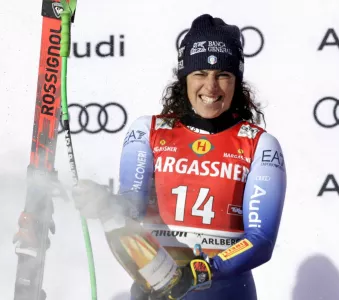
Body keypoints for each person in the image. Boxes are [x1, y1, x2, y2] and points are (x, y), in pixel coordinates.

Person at [73, 14, 287, 300]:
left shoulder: (260, 144)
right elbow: (130, 208)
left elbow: (260, 240)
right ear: (185, 76)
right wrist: (103, 201)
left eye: (223, 75)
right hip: (156, 289)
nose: (211, 88)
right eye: (200, 74)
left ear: (237, 81)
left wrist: (205, 270)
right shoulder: (149, 132)